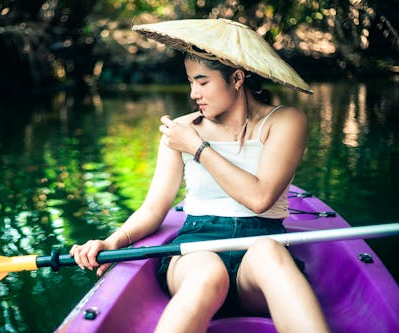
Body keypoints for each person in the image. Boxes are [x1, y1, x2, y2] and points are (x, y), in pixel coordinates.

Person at [69, 19, 330, 333]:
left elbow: (260, 199)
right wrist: (112, 242)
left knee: (270, 252)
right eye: (190, 81)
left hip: (261, 250)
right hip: (196, 248)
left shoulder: (285, 120)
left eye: (203, 82)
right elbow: (154, 209)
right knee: (208, 272)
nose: (194, 93)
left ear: (236, 78)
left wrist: (198, 148)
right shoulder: (181, 129)